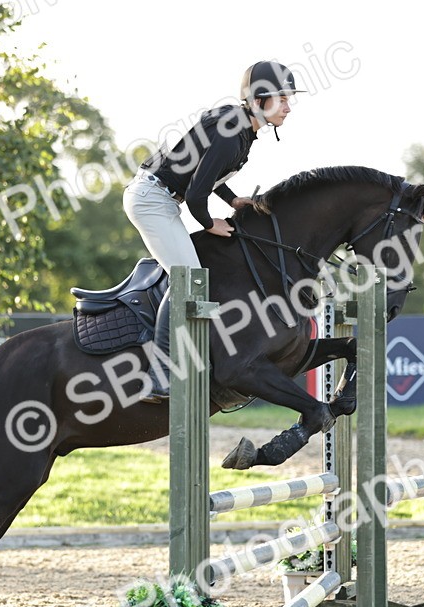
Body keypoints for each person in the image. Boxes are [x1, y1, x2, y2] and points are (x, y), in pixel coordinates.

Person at [123, 60, 304, 402]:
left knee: (193, 276)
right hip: (152, 200)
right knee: (189, 278)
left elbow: (208, 174)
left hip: (162, 199)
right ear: (259, 98)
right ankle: (159, 376)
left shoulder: (241, 128)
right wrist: (209, 223)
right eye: (282, 98)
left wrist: (233, 201)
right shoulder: (232, 130)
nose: (288, 106)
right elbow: (195, 193)